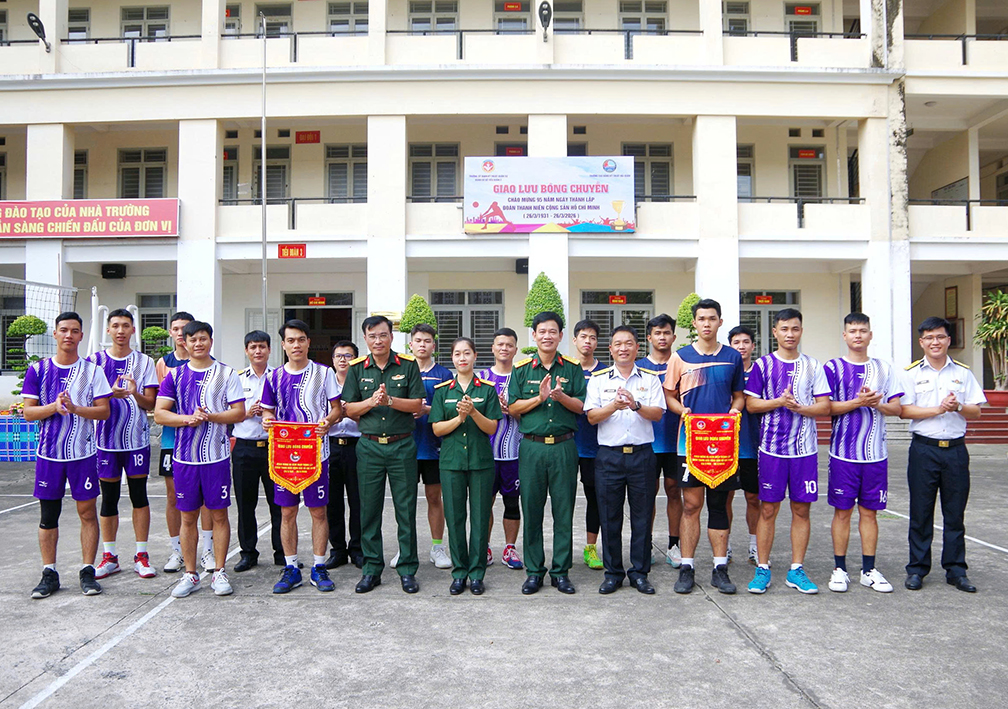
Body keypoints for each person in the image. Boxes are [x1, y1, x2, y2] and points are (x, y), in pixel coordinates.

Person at [154, 321, 245, 598]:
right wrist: (186, 419)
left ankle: (219, 571)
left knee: (219, 514)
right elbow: (160, 414)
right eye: (192, 339)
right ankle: (190, 574)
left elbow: (239, 412)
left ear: (210, 341)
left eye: (203, 339)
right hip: (184, 458)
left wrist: (210, 417)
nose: (198, 344)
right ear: (184, 342)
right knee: (188, 516)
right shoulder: (175, 376)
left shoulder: (226, 373)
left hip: (216, 456)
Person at [25, 312, 112, 599]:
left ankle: (87, 571)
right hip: (49, 455)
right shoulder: (38, 370)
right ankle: (49, 573)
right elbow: (28, 413)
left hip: (82, 454)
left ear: (81, 336)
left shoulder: (93, 371)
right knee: (49, 515)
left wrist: (75, 409)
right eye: (64, 330)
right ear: (55, 334)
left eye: (74, 331)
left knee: (87, 512)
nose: (69, 335)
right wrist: (54, 406)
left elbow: (104, 411)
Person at [744, 308, 830, 595]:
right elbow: (751, 405)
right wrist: (779, 402)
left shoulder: (813, 366)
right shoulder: (763, 365)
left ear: (801, 331)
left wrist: (800, 408)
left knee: (801, 509)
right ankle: (762, 568)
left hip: (804, 452)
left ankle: (796, 569)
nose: (790, 334)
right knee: (768, 509)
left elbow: (824, 406)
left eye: (795, 329)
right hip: (772, 450)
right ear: (775, 332)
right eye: (784, 329)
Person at [663, 299, 745, 595]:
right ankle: (687, 567)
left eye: (712, 318)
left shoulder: (732, 357)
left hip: (723, 444)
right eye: (702, 319)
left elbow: (739, 396)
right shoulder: (680, 357)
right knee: (691, 505)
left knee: (719, 505)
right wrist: (682, 410)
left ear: (720, 322)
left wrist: (735, 410)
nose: (707, 323)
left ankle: (720, 568)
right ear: (694, 323)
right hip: (689, 443)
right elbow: (669, 396)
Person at [340, 315, 426, 594]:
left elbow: (417, 404)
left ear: (391, 336)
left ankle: (407, 569)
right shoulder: (356, 369)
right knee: (369, 510)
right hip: (369, 447)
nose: (378, 341)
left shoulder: (408, 365)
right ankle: (371, 569)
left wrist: (390, 400)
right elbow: (348, 409)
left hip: (402, 445)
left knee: (406, 509)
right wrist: (371, 401)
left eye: (383, 335)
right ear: (365, 339)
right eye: (372, 336)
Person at [900, 316, 985, 593]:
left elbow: (976, 411)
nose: (934, 342)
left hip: (956, 452)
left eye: (939, 337)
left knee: (955, 513)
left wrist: (957, 406)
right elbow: (904, 410)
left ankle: (956, 570)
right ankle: (917, 569)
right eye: (929, 338)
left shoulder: (963, 373)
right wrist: (938, 409)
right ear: (921, 342)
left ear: (948, 340)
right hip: (924, 450)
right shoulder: (911, 373)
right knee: (920, 512)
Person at [260, 319, 343, 594]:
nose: (296, 345)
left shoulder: (324, 373)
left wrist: (328, 422)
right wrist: (267, 419)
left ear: (309, 342)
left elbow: (336, 408)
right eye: (291, 340)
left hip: (316, 454)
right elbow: (268, 410)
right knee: (287, 512)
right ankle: (291, 567)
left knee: (318, 511)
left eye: (301, 339)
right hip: (284, 456)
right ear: (283, 345)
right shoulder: (273, 377)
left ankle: (319, 566)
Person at [508, 311, 587, 595]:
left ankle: (560, 572)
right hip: (532, 447)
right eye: (542, 331)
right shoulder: (521, 369)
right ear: (534, 335)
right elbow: (513, 408)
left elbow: (582, 407)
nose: (547, 336)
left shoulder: (572, 368)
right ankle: (534, 571)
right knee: (532, 509)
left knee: (563, 511)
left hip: (564, 446)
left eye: (553, 331)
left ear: (561, 336)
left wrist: (561, 397)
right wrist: (538, 398)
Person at [823, 313, 903, 594]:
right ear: (844, 335)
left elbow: (897, 408)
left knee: (869, 513)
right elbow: (826, 407)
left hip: (875, 456)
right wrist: (858, 402)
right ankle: (839, 569)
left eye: (863, 330)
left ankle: (869, 570)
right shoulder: (832, 368)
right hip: (843, 454)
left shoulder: (884, 368)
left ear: (870, 335)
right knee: (842, 512)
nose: (858, 335)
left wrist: (876, 404)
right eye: (853, 331)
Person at [585, 325, 666, 595]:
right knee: (610, 518)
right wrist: (614, 406)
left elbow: (658, 414)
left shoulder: (650, 379)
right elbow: (592, 417)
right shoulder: (598, 380)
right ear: (610, 349)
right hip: (609, 457)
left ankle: (640, 573)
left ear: (637, 348)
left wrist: (635, 405)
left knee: (642, 517)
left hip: (642, 456)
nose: (623, 348)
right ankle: (613, 574)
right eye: (618, 344)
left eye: (628, 343)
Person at [90, 309, 160, 581]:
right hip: (105, 441)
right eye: (116, 326)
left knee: (139, 496)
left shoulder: (144, 362)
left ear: (133, 330)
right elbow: (87, 399)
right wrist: (109, 393)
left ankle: (141, 555)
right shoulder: (94, 362)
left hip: (136, 441)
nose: (121, 331)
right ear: (108, 330)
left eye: (126, 326)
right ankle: (110, 556)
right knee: (108, 498)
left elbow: (151, 403)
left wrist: (134, 393)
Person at [430, 338, 503, 595]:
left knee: (481, 518)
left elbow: (492, 427)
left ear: (475, 356)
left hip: (481, 462)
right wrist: (459, 418)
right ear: (452, 358)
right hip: (451, 463)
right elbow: (437, 428)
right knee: (455, 518)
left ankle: (477, 574)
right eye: (457, 354)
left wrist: (473, 412)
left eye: (467, 353)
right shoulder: (443, 391)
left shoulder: (487, 389)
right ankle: (459, 572)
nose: (462, 358)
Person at [155, 310, 215, 574]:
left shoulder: (214, 367)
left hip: (206, 443)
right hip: (173, 440)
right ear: (172, 332)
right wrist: (184, 417)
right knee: (175, 497)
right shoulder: (164, 365)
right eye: (177, 329)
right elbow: (159, 406)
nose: (181, 333)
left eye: (186, 329)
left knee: (206, 499)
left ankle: (208, 550)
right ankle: (177, 551)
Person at [399, 323, 453, 570]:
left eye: (427, 341)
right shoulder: (401, 371)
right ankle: (405, 549)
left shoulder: (444, 374)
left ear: (434, 345)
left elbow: (449, 409)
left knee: (434, 497)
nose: (422, 345)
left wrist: (427, 410)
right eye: (418, 340)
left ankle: (437, 547)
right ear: (411, 344)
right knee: (405, 500)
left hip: (433, 446)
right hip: (404, 446)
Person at [231, 330, 284, 573]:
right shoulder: (236, 379)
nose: (258, 351)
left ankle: (282, 552)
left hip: (274, 447)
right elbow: (228, 413)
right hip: (245, 448)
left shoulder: (279, 377)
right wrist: (247, 412)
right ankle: (248, 553)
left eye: (262, 346)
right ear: (246, 351)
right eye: (253, 347)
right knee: (245, 504)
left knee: (279, 503)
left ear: (270, 349)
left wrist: (271, 413)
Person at [636, 313, 683, 568]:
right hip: (647, 442)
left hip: (677, 441)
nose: (662, 337)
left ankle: (674, 545)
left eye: (666, 333)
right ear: (649, 337)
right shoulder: (638, 366)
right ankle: (646, 544)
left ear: (673, 337)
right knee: (647, 494)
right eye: (657, 333)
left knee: (674, 491)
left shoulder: (682, 363)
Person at [478, 327, 524, 570]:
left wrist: (513, 410)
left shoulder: (522, 376)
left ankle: (509, 548)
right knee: (485, 503)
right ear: (493, 348)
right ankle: (484, 547)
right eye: (500, 344)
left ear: (515, 349)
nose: (504, 348)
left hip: (514, 452)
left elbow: (531, 413)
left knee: (512, 503)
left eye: (509, 345)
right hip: (485, 453)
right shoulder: (481, 378)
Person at [325, 340, 364, 570]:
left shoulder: (362, 383)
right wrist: (334, 415)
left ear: (355, 360)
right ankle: (337, 550)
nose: (343, 360)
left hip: (356, 445)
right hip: (330, 445)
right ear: (332, 360)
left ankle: (357, 549)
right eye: (338, 356)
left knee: (358, 500)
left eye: (348, 356)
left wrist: (349, 413)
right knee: (333, 501)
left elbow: (369, 415)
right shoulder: (324, 383)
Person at [572, 319, 606, 570]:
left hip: (595, 446)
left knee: (595, 497)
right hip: (566, 444)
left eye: (592, 337)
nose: (588, 341)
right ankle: (562, 548)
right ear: (574, 340)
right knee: (563, 498)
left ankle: (591, 548)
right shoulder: (565, 369)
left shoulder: (605, 372)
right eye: (583, 337)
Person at [728, 325, 762, 565]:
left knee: (753, 497)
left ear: (753, 346)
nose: (741, 346)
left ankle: (754, 545)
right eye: (736, 342)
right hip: (726, 446)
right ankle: (726, 545)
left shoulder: (761, 372)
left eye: (746, 342)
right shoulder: (727, 371)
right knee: (725, 497)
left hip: (753, 446)